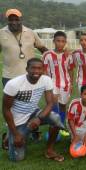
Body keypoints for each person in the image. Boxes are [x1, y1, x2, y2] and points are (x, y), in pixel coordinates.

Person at [0, 8, 48, 149]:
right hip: (9, 78)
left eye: (17, 19)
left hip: (31, 78)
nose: (14, 22)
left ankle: (32, 130)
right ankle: (11, 135)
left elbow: (42, 49)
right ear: (7, 20)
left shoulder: (30, 32)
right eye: (11, 19)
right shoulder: (1, 33)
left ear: (21, 19)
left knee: (30, 106)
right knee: (12, 109)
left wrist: (56, 58)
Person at [2, 58, 64, 162]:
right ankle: (9, 136)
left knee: (55, 118)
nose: (36, 71)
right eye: (33, 68)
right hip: (17, 121)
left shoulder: (46, 80)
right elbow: (6, 110)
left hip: (33, 113)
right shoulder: (13, 84)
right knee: (17, 158)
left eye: (39, 68)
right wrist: (16, 134)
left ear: (43, 70)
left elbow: (50, 103)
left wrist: (39, 119)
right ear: (27, 69)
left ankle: (49, 150)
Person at [42, 31, 74, 136]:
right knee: (54, 105)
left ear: (65, 42)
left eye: (63, 41)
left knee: (63, 105)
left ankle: (62, 125)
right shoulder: (47, 55)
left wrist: (72, 84)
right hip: (52, 84)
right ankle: (54, 126)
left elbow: (70, 70)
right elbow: (44, 70)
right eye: (58, 41)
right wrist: (47, 84)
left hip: (65, 84)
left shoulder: (68, 55)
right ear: (54, 41)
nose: (60, 43)